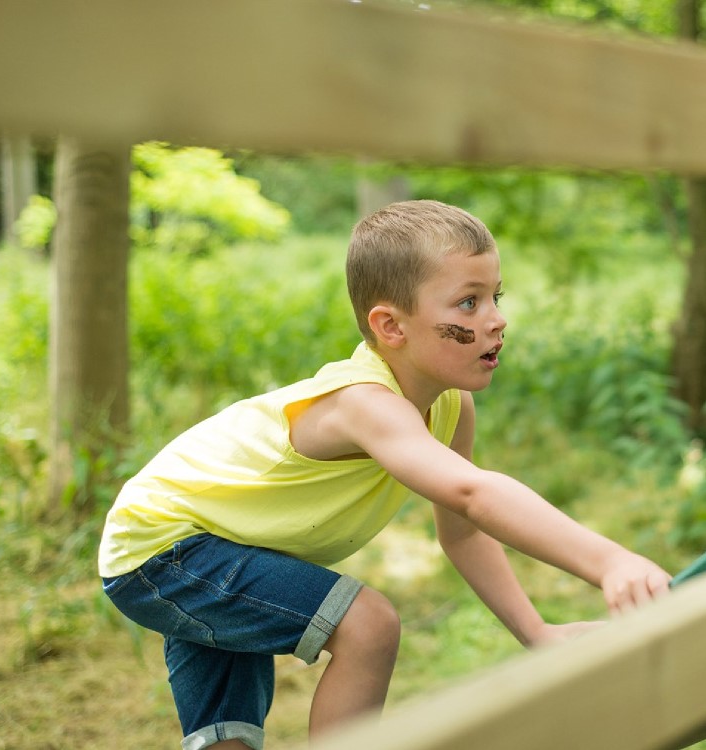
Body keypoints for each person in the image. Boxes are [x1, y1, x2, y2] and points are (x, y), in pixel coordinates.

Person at [98, 200, 671, 750]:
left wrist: (538, 634)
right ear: (391, 326)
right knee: (367, 624)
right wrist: (609, 561)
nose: (497, 320)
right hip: (164, 546)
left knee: (228, 739)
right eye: (468, 304)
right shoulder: (364, 404)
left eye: (495, 296)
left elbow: (463, 531)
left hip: (230, 543)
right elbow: (473, 493)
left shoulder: (450, 409)